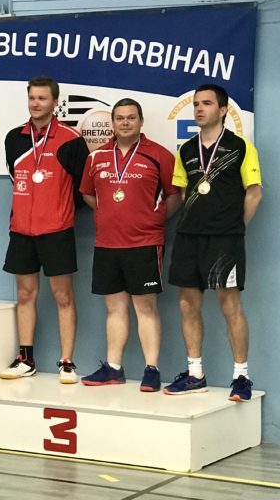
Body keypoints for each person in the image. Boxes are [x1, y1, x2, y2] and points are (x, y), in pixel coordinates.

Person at [164, 84, 262, 401]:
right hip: (188, 238)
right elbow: (181, 194)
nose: (199, 109)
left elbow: (254, 193)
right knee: (187, 303)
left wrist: (234, 228)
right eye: (196, 104)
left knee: (229, 304)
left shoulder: (241, 147)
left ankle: (241, 376)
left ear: (222, 110)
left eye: (206, 103)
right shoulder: (186, 150)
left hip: (224, 240)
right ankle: (195, 374)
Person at [79, 99, 181, 391]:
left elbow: (175, 195)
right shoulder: (96, 157)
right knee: (114, 308)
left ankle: (151, 369)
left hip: (144, 242)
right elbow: (88, 194)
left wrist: (153, 218)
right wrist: (109, 215)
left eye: (131, 117)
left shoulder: (159, 155)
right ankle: (113, 368)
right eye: (120, 118)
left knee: (145, 307)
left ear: (141, 121)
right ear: (112, 122)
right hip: (107, 243)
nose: (125, 122)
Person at [0, 76, 89, 383]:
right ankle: (26, 359)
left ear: (55, 103)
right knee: (25, 294)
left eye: (42, 98)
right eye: (32, 98)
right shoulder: (14, 138)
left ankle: (67, 362)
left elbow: (83, 189)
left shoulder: (72, 140)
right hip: (21, 229)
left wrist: (58, 209)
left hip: (57, 230)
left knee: (63, 296)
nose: (36, 104)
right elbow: (16, 178)